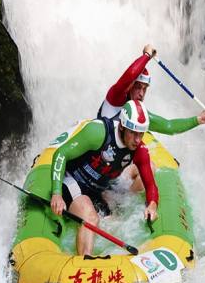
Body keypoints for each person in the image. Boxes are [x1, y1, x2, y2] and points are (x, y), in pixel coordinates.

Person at [98, 44, 205, 191]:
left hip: (116, 172)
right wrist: (146, 56)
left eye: (144, 89)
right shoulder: (115, 98)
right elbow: (128, 77)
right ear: (129, 86)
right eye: (138, 87)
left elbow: (168, 126)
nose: (141, 93)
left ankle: (123, 205)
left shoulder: (139, 114)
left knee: (150, 168)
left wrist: (198, 120)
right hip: (97, 166)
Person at [50, 100, 156, 256]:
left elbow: (150, 184)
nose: (138, 139)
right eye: (133, 132)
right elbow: (61, 154)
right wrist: (57, 193)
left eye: (141, 133)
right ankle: (83, 264)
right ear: (122, 126)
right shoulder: (98, 132)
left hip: (96, 190)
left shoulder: (139, 149)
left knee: (114, 224)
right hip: (72, 179)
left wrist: (152, 204)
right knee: (91, 218)